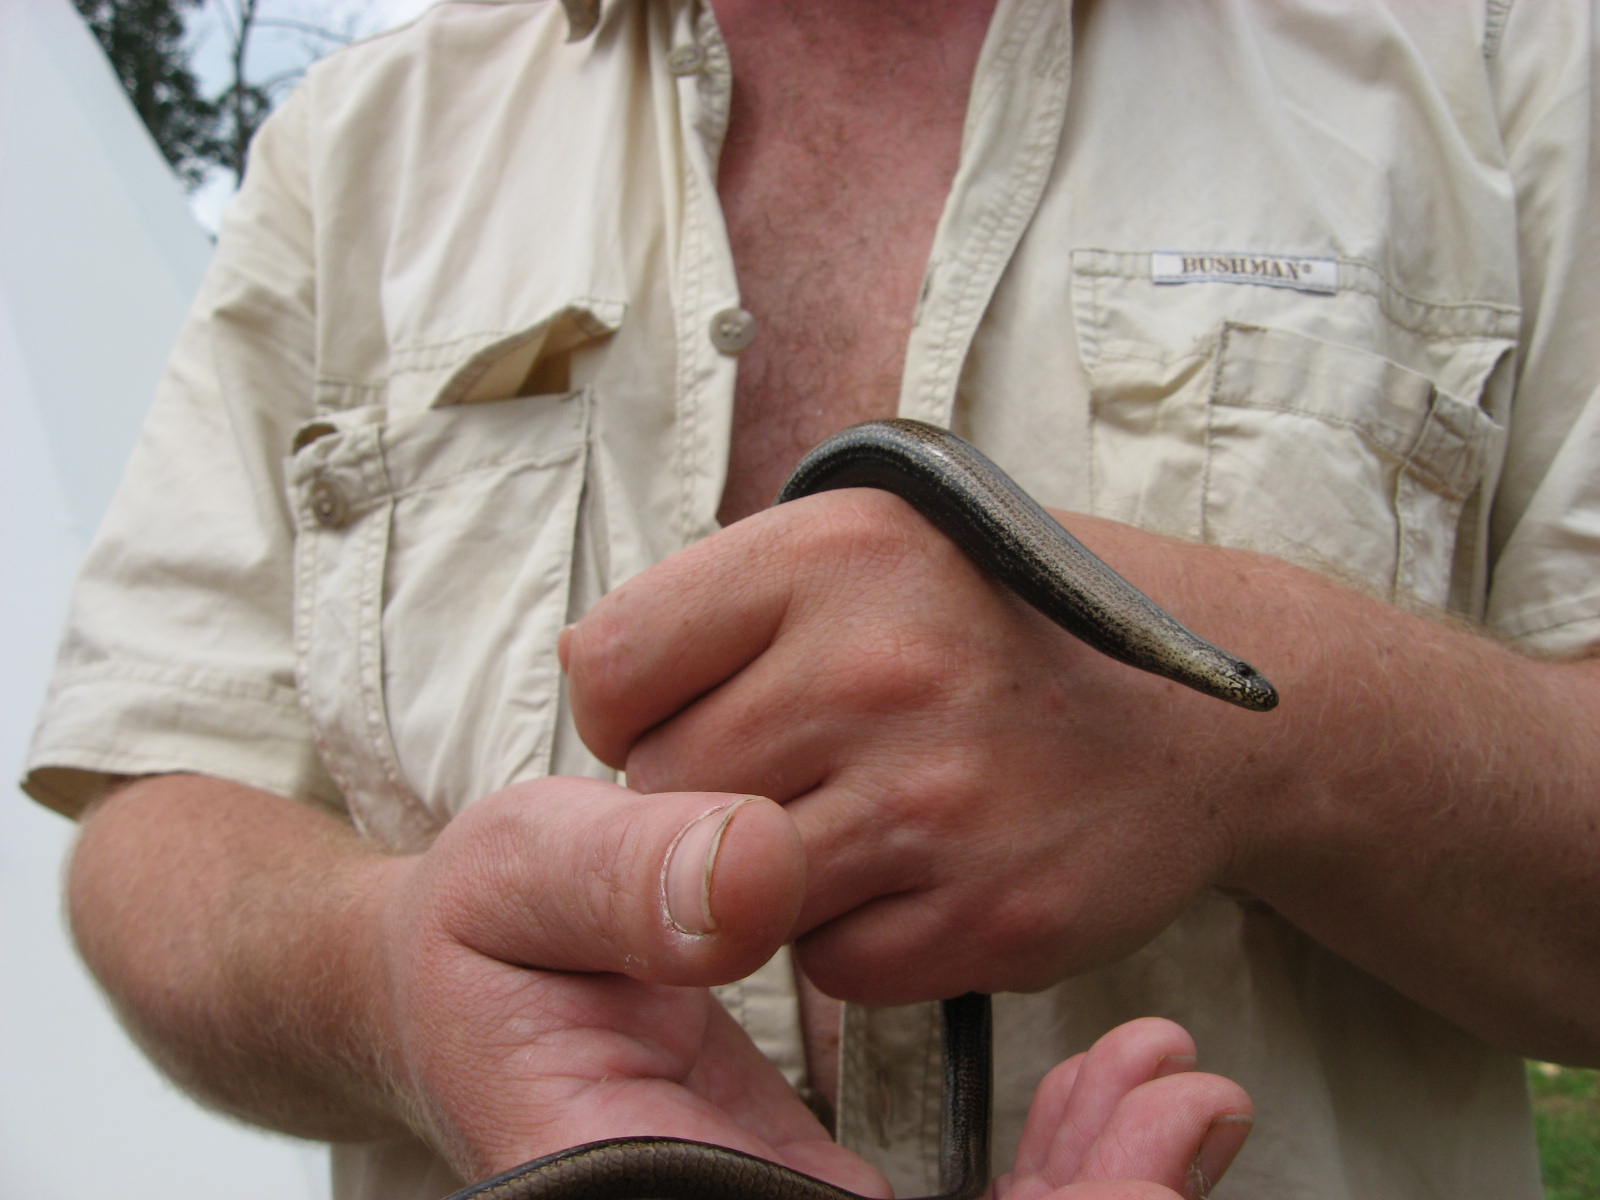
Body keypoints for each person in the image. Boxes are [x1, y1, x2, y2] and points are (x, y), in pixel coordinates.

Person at [24, 1, 1600, 1197]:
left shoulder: (1496, 51)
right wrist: (385, 976)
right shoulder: (369, 136)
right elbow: (158, 814)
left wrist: (1271, 747)